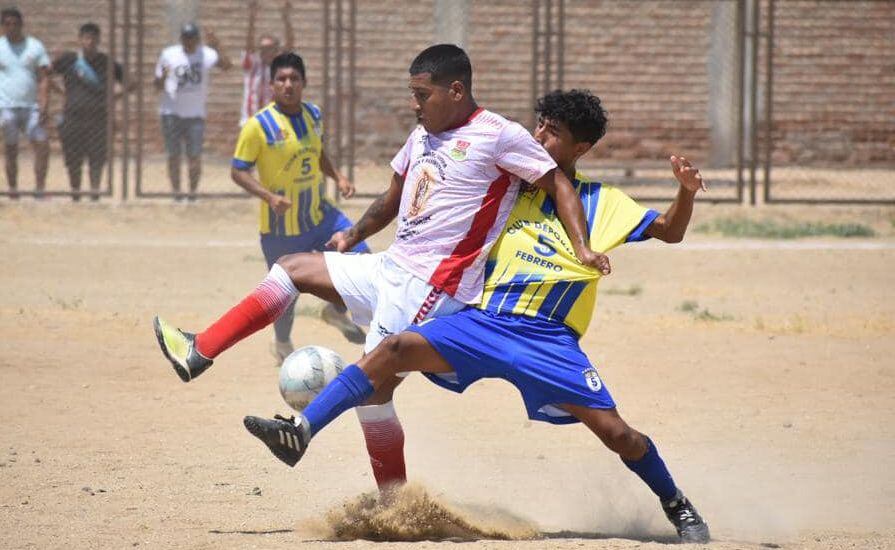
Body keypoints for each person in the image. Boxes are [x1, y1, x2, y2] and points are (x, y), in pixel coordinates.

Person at [241, 90, 711, 543]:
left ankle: (677, 504)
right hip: (483, 322)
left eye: (555, 132)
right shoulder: (505, 183)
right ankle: (300, 431)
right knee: (392, 349)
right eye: (540, 124)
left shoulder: (601, 202)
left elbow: (669, 231)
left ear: (581, 148)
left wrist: (685, 193)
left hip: (547, 339)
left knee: (618, 434)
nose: (540, 135)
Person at [154, 45, 610, 489]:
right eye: (412, 93)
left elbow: (559, 186)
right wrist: (352, 236)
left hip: (433, 286)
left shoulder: (499, 134)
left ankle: (378, 490)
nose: (414, 104)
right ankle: (200, 351)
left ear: (455, 90)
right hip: (389, 265)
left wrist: (583, 248)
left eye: (422, 94)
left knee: (373, 389)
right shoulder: (422, 135)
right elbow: (392, 197)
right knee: (292, 268)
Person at [231, 52, 368, 360]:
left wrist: (339, 176)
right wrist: (269, 197)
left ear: (304, 83)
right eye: (281, 79)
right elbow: (237, 171)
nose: (288, 84)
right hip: (282, 228)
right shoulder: (258, 126)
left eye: (294, 79)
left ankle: (335, 311)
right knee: (285, 295)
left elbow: (317, 153)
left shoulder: (313, 115)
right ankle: (282, 343)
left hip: (321, 215)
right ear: (271, 85)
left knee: (359, 255)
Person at [154, 23, 232, 201]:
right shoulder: (169, 54)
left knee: (194, 156)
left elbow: (227, 66)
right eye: (186, 38)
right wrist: (163, 77)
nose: (189, 42)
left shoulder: (205, 53)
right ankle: (176, 193)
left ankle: (192, 193)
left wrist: (217, 44)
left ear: (197, 39)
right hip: (171, 112)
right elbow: (157, 85)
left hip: (195, 114)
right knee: (173, 155)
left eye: (192, 38)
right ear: (181, 39)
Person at [52, 23, 125, 201]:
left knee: (97, 159)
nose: (90, 42)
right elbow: (45, 74)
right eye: (86, 38)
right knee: (73, 160)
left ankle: (94, 194)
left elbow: (130, 83)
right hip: (73, 118)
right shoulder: (69, 59)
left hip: (98, 119)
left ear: (99, 40)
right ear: (80, 39)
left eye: (93, 38)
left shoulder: (106, 62)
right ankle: (75, 193)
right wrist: (61, 92)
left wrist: (114, 97)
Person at [0, 7, 49, 199]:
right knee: (11, 149)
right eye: (7, 24)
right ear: (2, 26)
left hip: (31, 107)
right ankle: (13, 190)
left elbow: (44, 77)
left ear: (22, 25)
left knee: (42, 145)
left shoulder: (35, 46)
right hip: (6, 107)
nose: (12, 27)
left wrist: (44, 103)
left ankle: (39, 190)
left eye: (15, 23)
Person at [240, 0, 294, 126]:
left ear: (276, 50)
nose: (266, 52)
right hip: (251, 121)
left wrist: (286, 18)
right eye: (263, 49)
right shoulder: (253, 65)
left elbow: (290, 46)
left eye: (270, 48)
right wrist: (252, 17)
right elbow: (249, 46)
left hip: (276, 122)